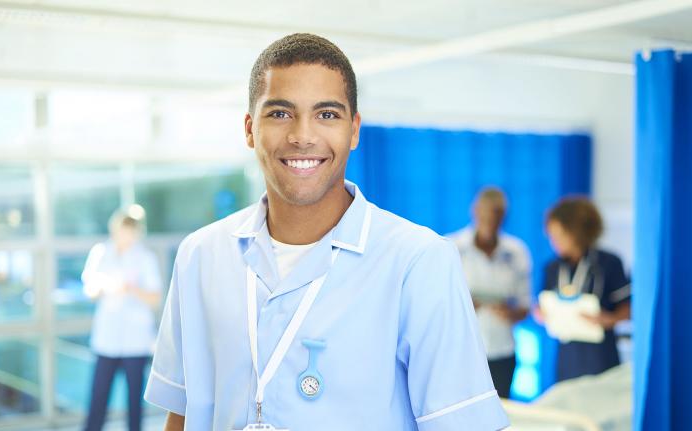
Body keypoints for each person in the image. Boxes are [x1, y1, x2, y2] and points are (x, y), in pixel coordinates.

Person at [144, 33, 508, 431]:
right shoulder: (200, 254)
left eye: (327, 115)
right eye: (280, 113)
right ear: (250, 129)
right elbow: (181, 412)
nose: (302, 135)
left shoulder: (418, 260)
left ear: (354, 130)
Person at [82, 207, 163, 431]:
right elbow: (89, 290)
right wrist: (103, 287)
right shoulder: (100, 252)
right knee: (98, 398)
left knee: (134, 403)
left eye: (131, 231)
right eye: (123, 230)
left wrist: (131, 289)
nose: (127, 235)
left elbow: (155, 298)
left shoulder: (145, 258)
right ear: (115, 229)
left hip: (135, 341)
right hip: (106, 339)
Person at [449, 187, 531, 398]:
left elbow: (525, 306)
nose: (490, 222)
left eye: (496, 216)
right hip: (461, 352)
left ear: (503, 217)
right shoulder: (450, 247)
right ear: (475, 211)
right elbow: (435, 303)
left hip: (502, 350)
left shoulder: (516, 251)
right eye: (485, 215)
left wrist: (510, 313)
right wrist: (464, 306)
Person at [539, 197, 631, 382]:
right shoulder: (553, 267)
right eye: (551, 235)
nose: (553, 241)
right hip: (567, 355)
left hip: (600, 356)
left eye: (558, 235)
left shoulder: (608, 263)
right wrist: (541, 314)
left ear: (576, 231)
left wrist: (610, 319)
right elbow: (542, 303)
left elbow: (627, 309)